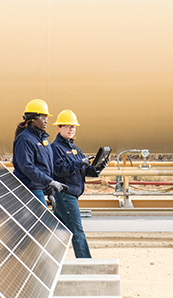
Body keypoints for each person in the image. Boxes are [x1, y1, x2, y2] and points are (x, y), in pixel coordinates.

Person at [50, 109, 104, 258]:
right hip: (65, 194)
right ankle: (86, 263)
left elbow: (87, 171)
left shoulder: (75, 149)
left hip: (71, 194)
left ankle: (46, 259)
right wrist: (79, 162)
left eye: (73, 127)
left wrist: (99, 166)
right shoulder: (55, 149)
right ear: (59, 128)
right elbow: (59, 170)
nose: (71, 129)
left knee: (58, 230)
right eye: (67, 126)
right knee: (77, 230)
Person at [12, 99, 66, 204]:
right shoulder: (24, 139)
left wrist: (50, 191)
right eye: (43, 118)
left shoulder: (43, 139)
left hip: (39, 187)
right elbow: (27, 167)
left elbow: (46, 166)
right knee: (44, 220)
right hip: (29, 189)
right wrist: (50, 182)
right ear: (32, 119)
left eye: (46, 118)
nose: (46, 121)